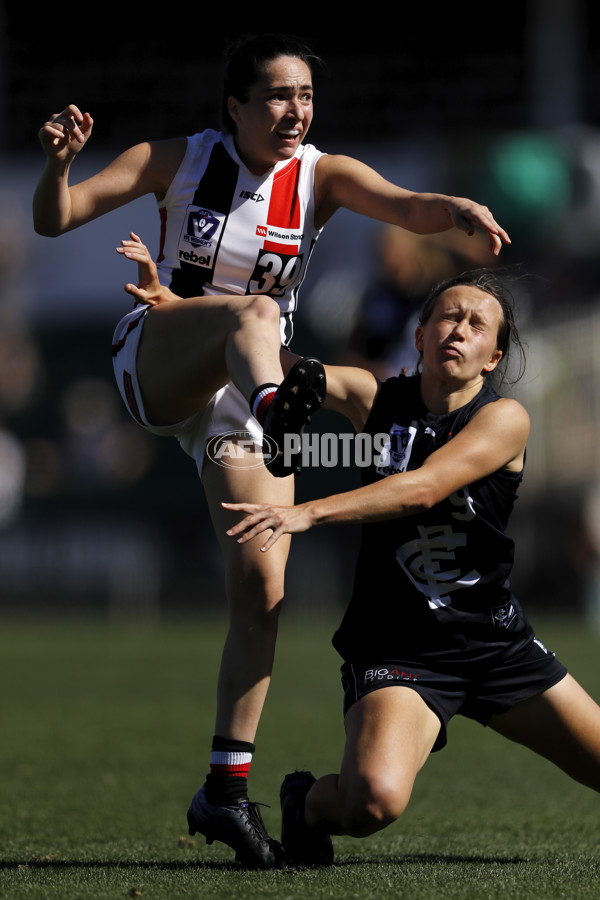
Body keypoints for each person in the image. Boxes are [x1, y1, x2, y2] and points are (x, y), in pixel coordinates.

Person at [32, 33, 511, 868]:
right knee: (257, 319)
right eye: (280, 97)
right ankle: (276, 406)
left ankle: (224, 789)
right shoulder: (176, 159)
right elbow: (56, 218)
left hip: (248, 393)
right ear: (236, 107)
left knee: (264, 582)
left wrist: (458, 212)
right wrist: (56, 165)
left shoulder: (320, 175)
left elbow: (404, 205)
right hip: (165, 354)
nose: (297, 112)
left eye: (307, 98)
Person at [224, 268, 600, 866]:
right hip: (399, 650)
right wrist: (195, 316)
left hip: (494, 642)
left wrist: (310, 512)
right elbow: (271, 357)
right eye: (448, 316)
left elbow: (424, 488)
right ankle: (305, 806)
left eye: (478, 325)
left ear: (492, 357)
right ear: (420, 334)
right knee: (371, 803)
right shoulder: (375, 398)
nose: (460, 330)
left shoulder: (505, 420)